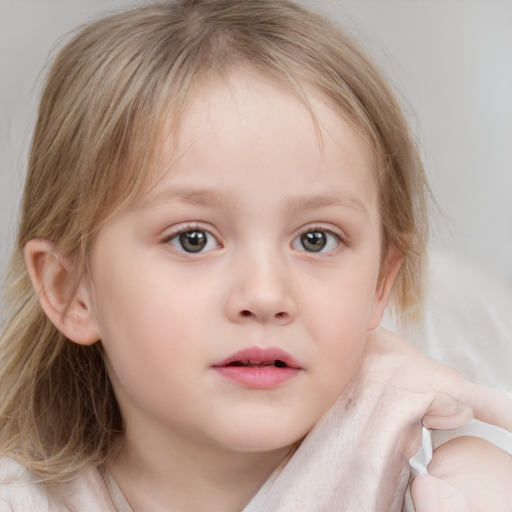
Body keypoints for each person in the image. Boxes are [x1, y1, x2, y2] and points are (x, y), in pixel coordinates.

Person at [0, 1, 510, 510]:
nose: (265, 295)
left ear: (380, 282)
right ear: (70, 292)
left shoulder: (457, 494)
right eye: (192, 239)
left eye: (316, 239)